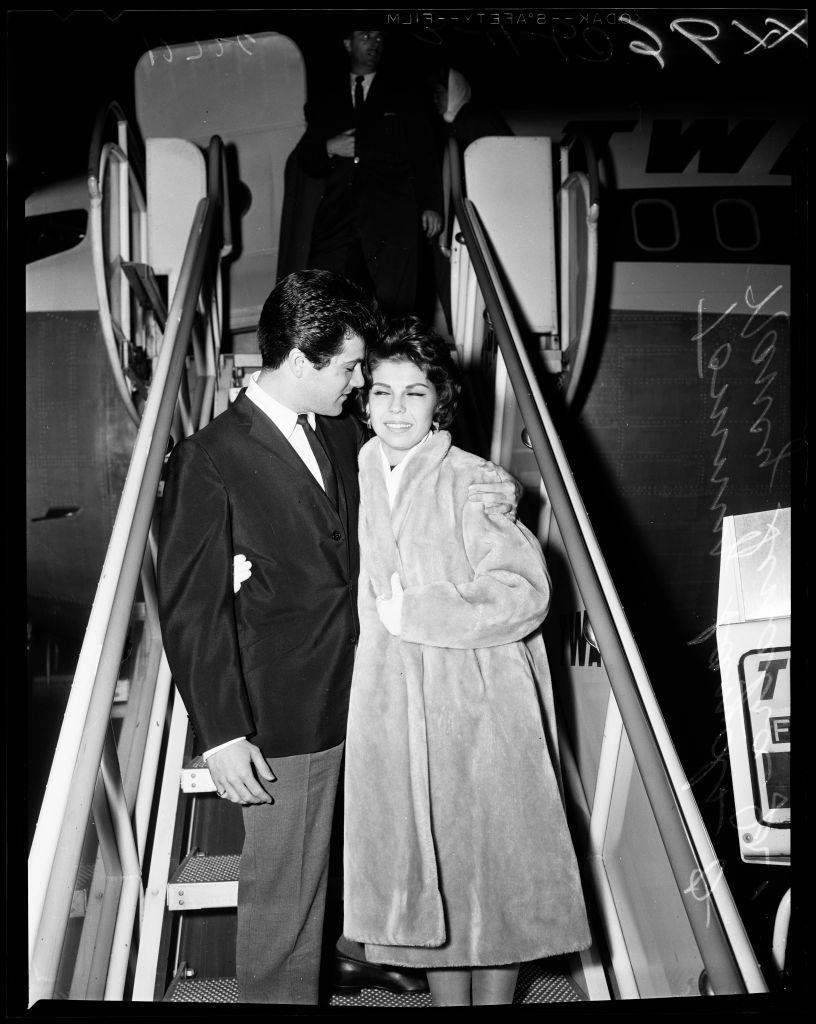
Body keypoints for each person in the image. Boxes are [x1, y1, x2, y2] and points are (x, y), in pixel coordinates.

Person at [157, 270, 519, 1004]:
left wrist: (497, 491)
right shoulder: (210, 458)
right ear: (302, 360)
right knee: (283, 910)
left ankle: (359, 954)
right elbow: (190, 608)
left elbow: (423, 468)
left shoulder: (345, 433)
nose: (360, 383)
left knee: (376, 865)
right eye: (351, 367)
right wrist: (223, 733)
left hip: (379, 697)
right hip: (289, 715)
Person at [342, 318, 591, 1006]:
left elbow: (525, 593)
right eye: (382, 392)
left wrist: (418, 614)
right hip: (395, 716)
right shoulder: (354, 475)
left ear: (439, 403)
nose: (395, 408)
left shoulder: (473, 481)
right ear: (363, 399)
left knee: (491, 890)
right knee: (436, 901)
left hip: (476, 712)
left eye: (413, 393)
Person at [297, 27, 443, 315]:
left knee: (396, 300)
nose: (373, 43)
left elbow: (424, 152)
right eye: (365, 37)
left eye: (378, 38)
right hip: (339, 214)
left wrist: (431, 205)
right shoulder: (325, 97)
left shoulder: (407, 92)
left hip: (391, 211)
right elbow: (307, 158)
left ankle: (391, 357)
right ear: (347, 43)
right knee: (327, 294)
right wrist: (330, 146)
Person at [430, 66, 513, 331]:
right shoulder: (453, 125)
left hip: (467, 225)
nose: (436, 99)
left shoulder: (475, 120)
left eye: (440, 93)